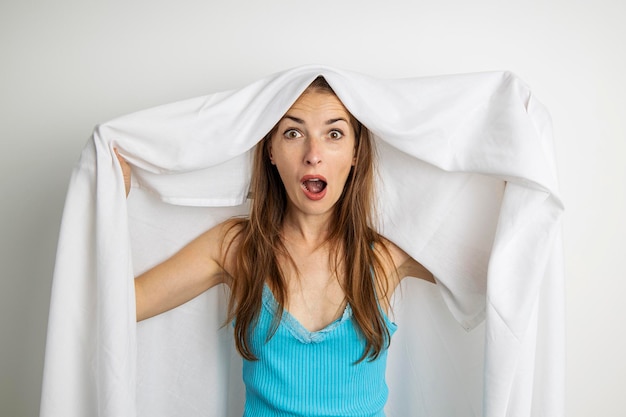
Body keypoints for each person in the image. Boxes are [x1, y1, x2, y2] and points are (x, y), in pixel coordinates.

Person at [117, 76, 435, 416]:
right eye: (293, 133)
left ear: (356, 152)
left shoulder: (386, 256)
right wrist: (111, 201)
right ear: (271, 150)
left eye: (334, 134)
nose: (313, 155)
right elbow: (121, 304)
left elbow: (488, 273)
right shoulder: (236, 248)